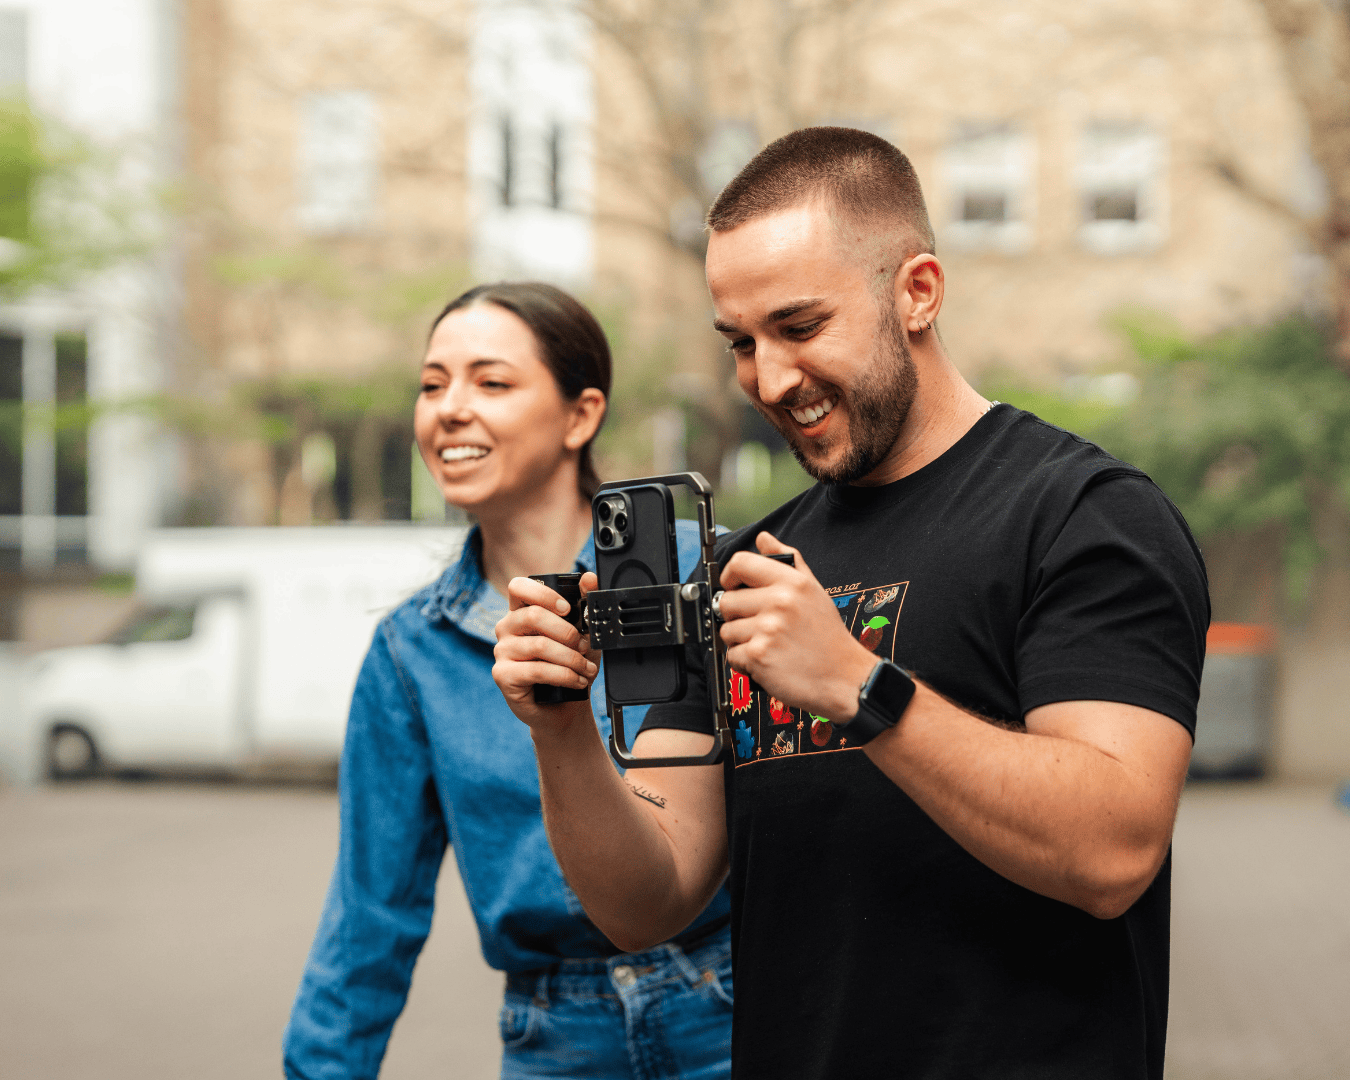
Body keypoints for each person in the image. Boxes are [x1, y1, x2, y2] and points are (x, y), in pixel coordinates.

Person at [492, 129, 1210, 1080]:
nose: (770, 379)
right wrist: (559, 731)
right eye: (741, 343)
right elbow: (647, 903)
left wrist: (857, 686)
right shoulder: (747, 561)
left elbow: (1115, 852)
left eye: (800, 326)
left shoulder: (1084, 517)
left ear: (918, 291)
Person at [284, 282, 735, 1080]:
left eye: (491, 382)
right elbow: (369, 917)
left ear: (580, 415)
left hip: (731, 1003)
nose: (450, 409)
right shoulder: (409, 652)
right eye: (432, 385)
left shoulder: (700, 578)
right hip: (557, 1037)